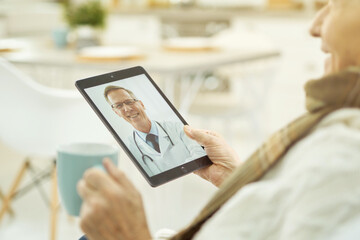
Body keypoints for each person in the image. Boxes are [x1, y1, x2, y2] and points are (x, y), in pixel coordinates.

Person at [77, 1, 360, 239]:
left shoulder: (344, 153)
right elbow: (282, 216)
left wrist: (132, 234)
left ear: (140, 103)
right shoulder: (337, 127)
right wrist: (236, 181)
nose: (315, 25)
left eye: (335, 4)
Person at [103, 85, 206, 176]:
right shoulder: (129, 148)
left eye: (129, 102)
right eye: (119, 106)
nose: (127, 109)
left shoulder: (177, 127)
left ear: (141, 104)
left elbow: (200, 155)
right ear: (117, 113)